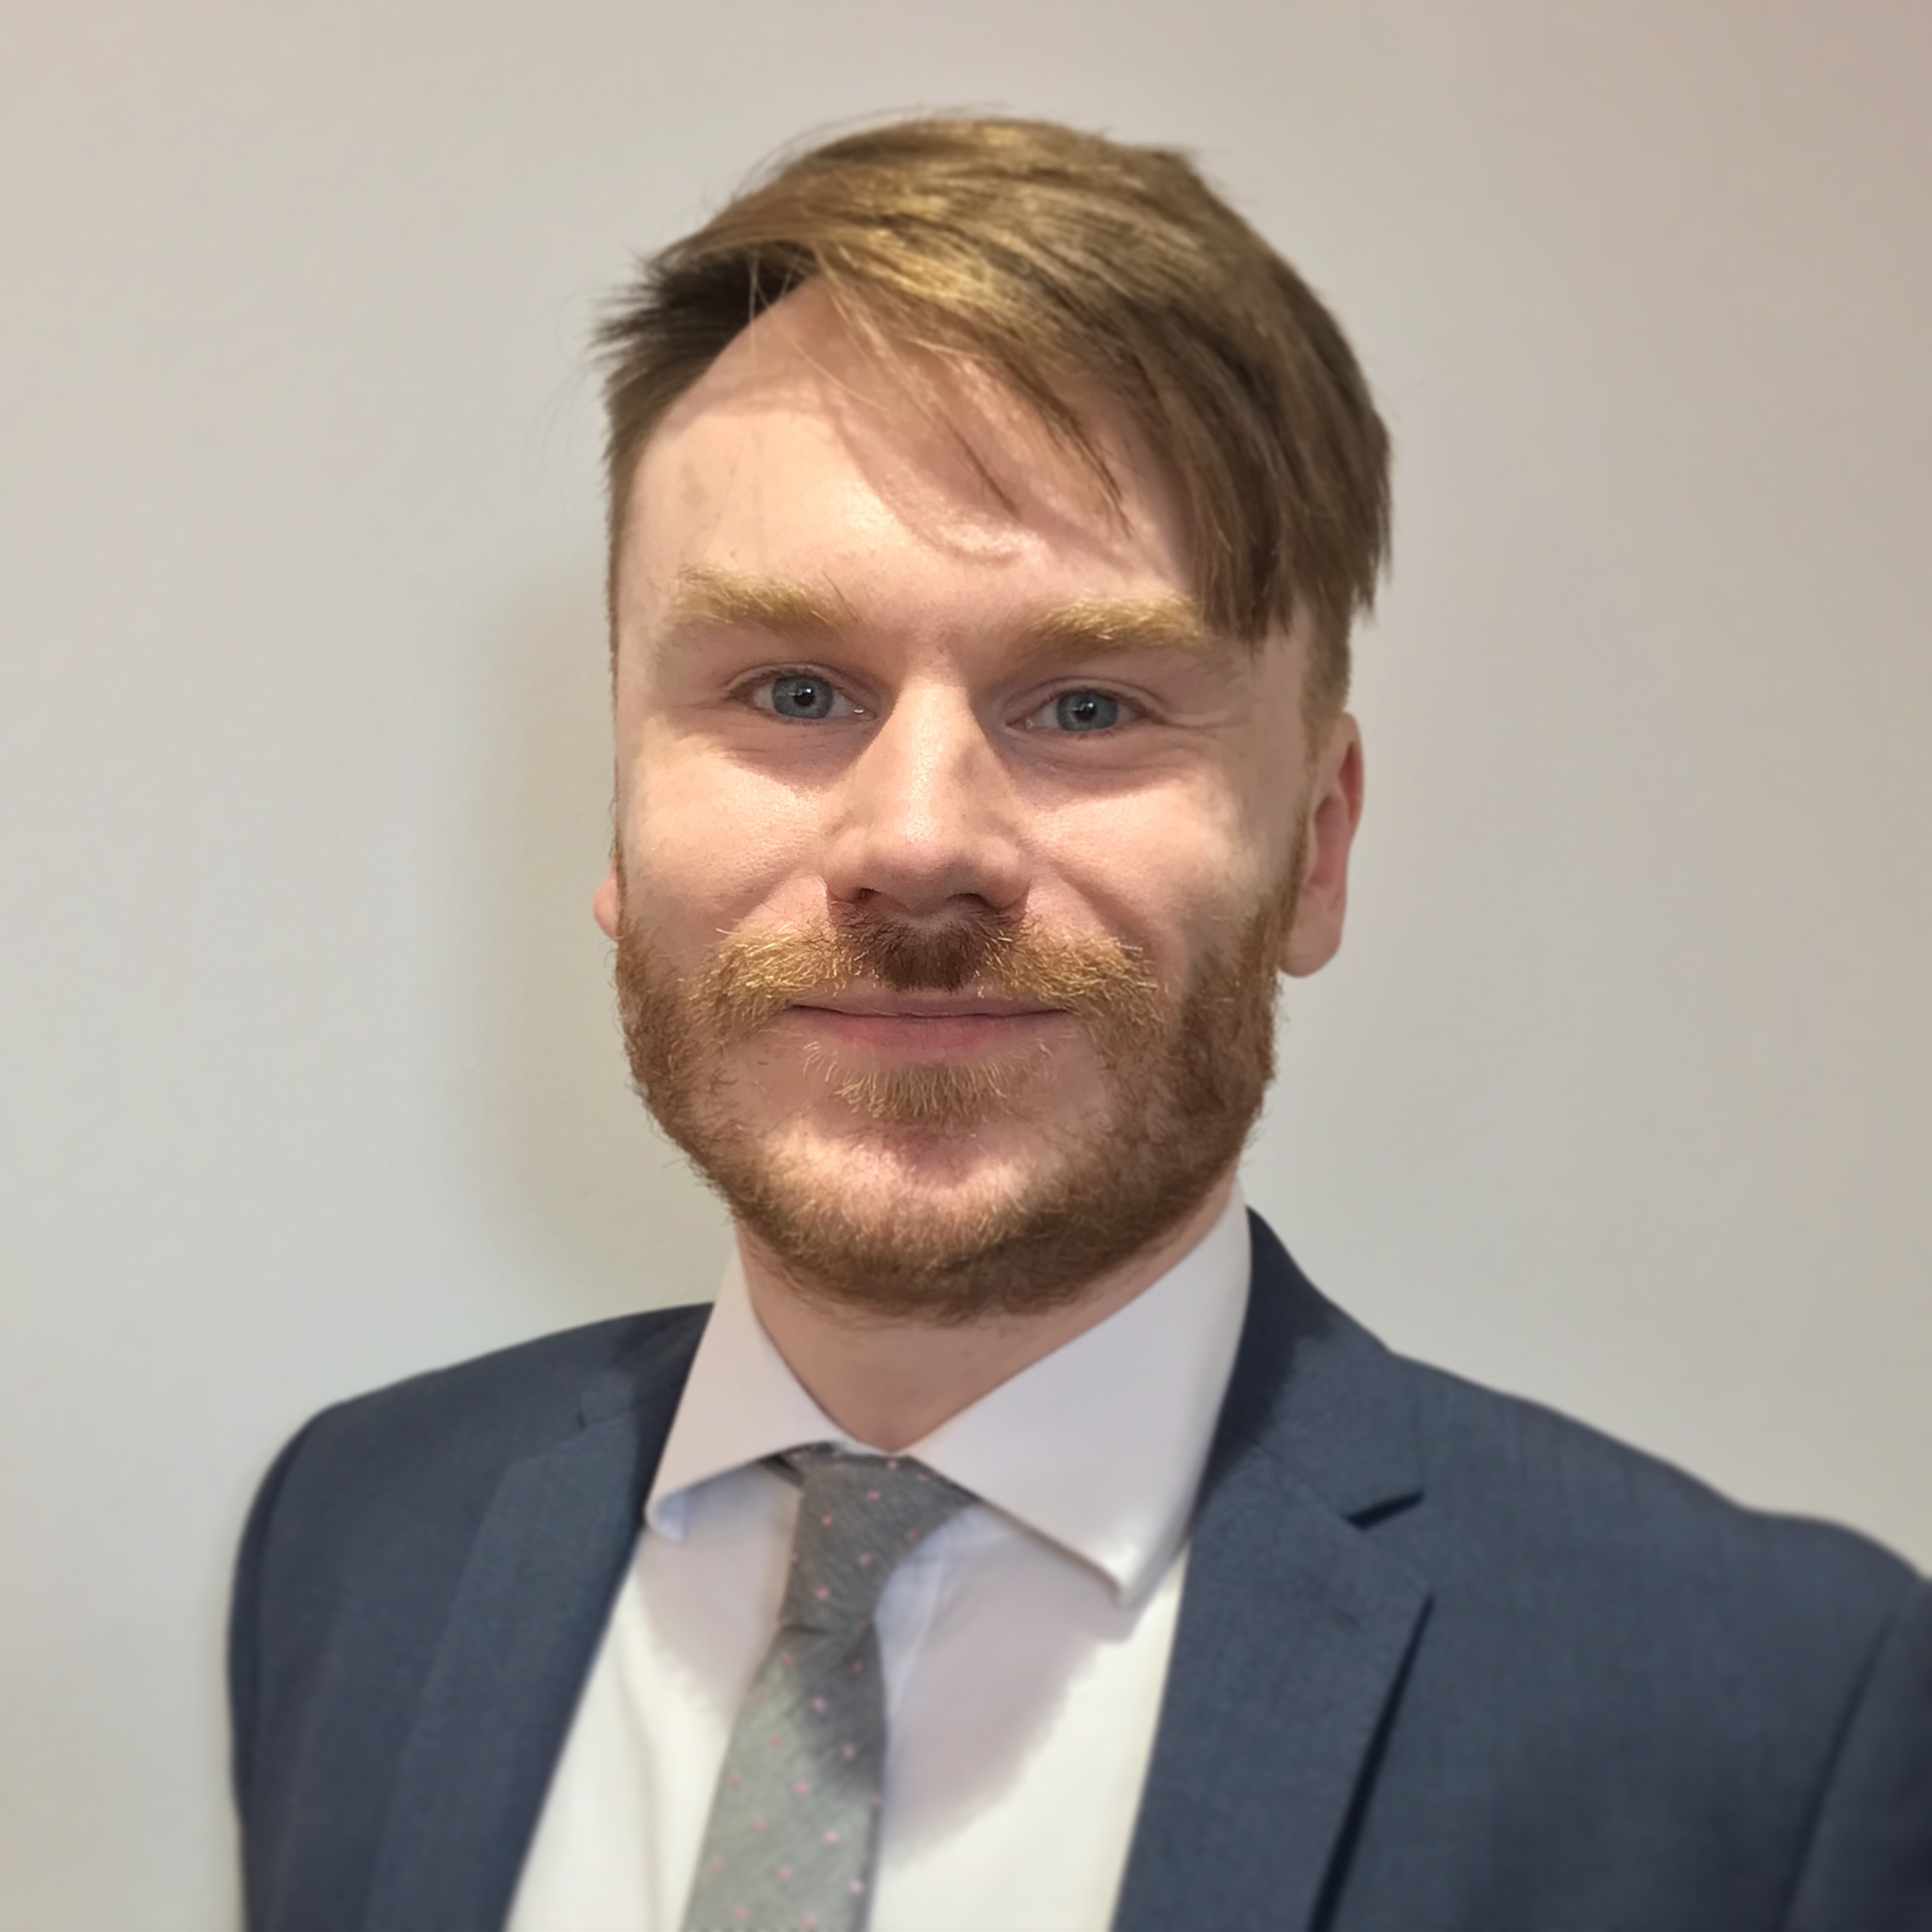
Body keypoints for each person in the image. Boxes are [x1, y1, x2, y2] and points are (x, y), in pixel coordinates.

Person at [226, 116, 1932, 1932]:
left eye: (1091, 706)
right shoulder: (358, 1535)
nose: (915, 844)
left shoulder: (1767, 1730)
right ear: (623, 822)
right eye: (790, 690)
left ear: (1315, 848)